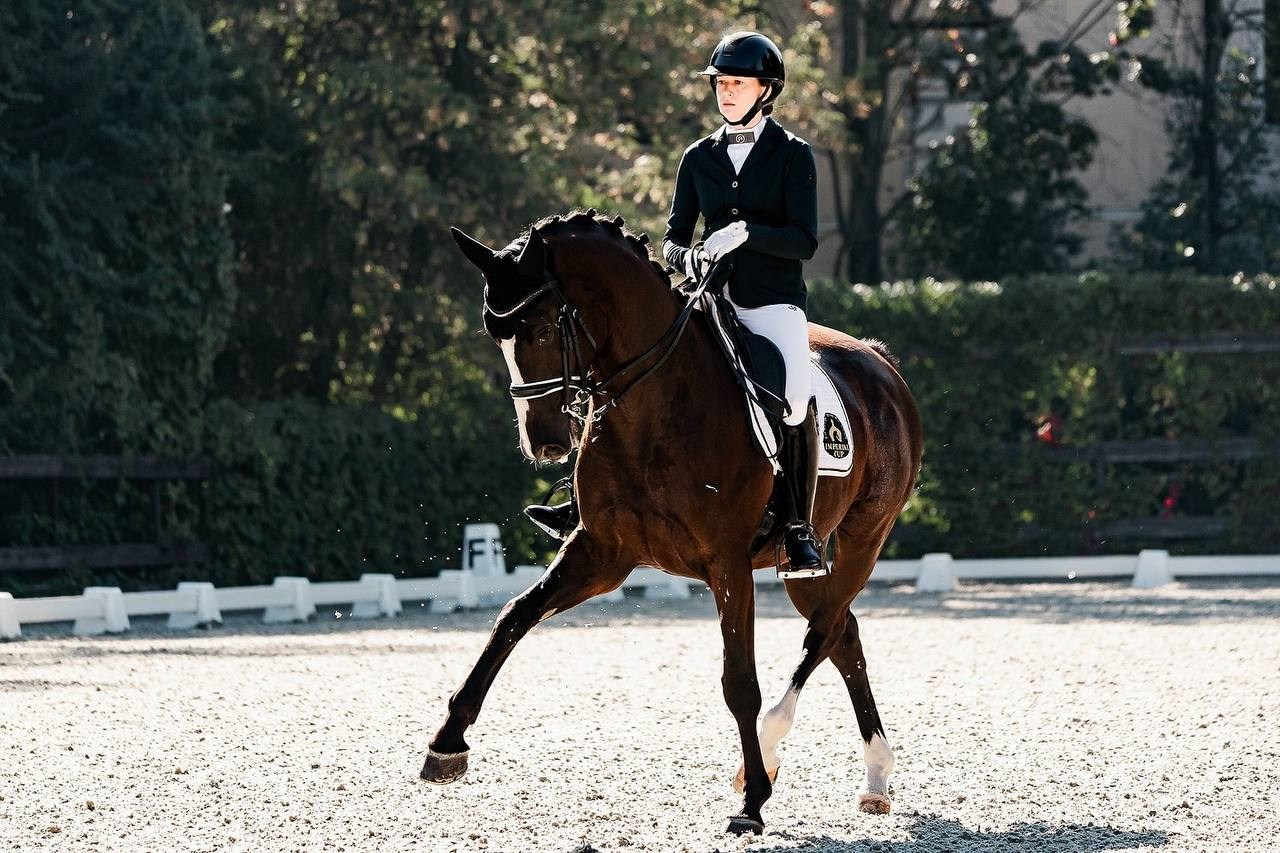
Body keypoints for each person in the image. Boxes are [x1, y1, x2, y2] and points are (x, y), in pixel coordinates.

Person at [525, 31, 826, 577]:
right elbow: (672, 236)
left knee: (795, 397)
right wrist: (685, 259)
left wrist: (745, 233)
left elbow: (805, 240)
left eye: (737, 84)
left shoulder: (793, 156)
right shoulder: (698, 158)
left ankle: (800, 529)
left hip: (771, 305)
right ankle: (584, 505)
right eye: (721, 84)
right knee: (627, 377)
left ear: (767, 89)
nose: (726, 93)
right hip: (707, 299)